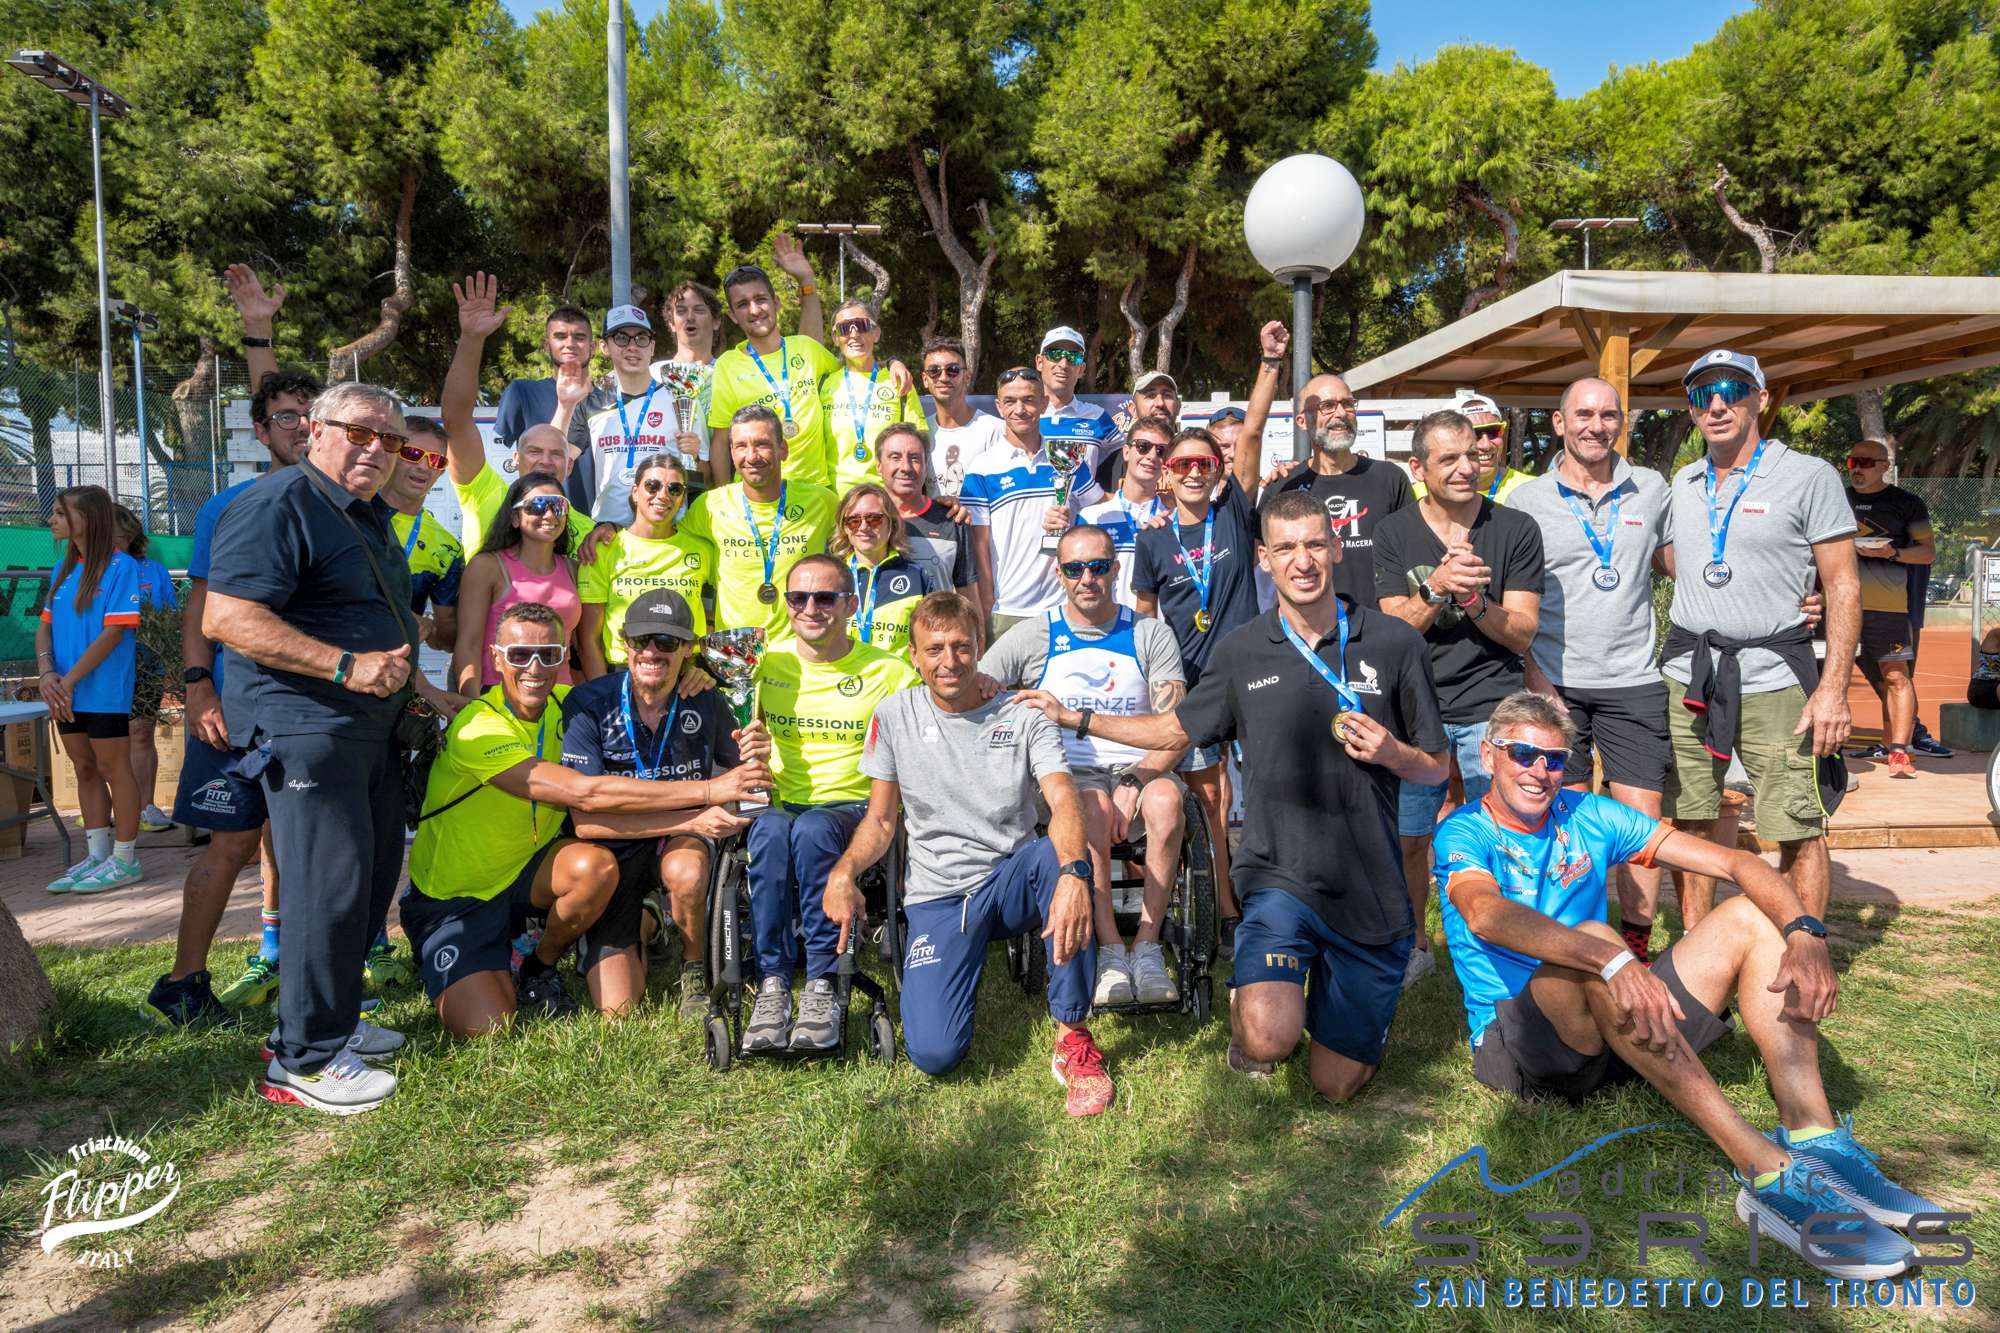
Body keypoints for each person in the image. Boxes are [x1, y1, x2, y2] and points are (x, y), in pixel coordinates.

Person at [1435, 691, 1937, 1278]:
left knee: (1752, 916)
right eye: (1523, 754)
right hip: (1524, 1043)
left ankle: (1815, 1136)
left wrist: (1805, 932)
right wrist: (1613, 959)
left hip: (1617, 1022)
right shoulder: (1464, 831)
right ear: (1490, 755)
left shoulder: (1587, 813)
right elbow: (1485, 915)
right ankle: (1765, 1172)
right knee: (1599, 938)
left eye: (1553, 759)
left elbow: (1739, 865)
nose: (1538, 771)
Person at [1018, 494, 1447, 1100]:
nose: (1304, 562)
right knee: (1268, 1040)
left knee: (1337, 1086)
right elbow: (1173, 731)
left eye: (1315, 545)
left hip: (1366, 884)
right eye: (1287, 548)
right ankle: (1264, 998)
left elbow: (1435, 769)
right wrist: (1076, 718)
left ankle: (1329, 989)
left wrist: (1392, 753)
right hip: (1279, 876)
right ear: (1264, 559)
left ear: (1335, 548)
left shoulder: (1394, 643)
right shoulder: (1243, 650)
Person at [204, 381, 426, 1115]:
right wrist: (345, 665)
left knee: (365, 882)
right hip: (308, 725)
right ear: (315, 429)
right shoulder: (277, 504)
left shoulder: (363, 514)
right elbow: (228, 615)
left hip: (367, 729)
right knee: (325, 887)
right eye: (360, 432)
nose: (375, 449)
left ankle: (327, 1020)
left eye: (389, 440)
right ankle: (302, 1061)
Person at [407, 602, 765, 1035]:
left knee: (593, 870)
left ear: (564, 657)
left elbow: (634, 687)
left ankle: (540, 962)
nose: (535, 669)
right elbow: (585, 794)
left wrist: (697, 674)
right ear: (496, 657)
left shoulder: (572, 704)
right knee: (489, 1028)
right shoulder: (477, 729)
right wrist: (709, 793)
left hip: (528, 876)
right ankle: (486, 954)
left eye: (549, 655)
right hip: (460, 898)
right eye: (520, 655)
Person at [825, 593, 1113, 1115]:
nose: (949, 661)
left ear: (981, 647)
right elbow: (882, 820)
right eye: (934, 648)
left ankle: (1073, 1038)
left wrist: (1075, 873)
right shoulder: (893, 715)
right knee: (935, 1054)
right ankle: (957, 968)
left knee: (1061, 858)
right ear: (914, 654)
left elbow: (1062, 796)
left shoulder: (1023, 712)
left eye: (961, 646)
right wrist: (844, 871)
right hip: (939, 895)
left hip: (1011, 881)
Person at [143, 314, 314, 1023]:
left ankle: (291, 965)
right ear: (260, 430)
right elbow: (201, 609)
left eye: (311, 415)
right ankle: (183, 982)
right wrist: (199, 684)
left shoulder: (345, 502)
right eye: (285, 418)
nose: (300, 427)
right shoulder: (229, 505)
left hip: (311, 705)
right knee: (235, 839)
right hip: (238, 704)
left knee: (297, 840)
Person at [1662, 350, 1858, 931]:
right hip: (1690, 674)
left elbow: (1844, 585)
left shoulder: (1809, 475)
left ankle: (1804, 949)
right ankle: (1698, 953)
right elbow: (1680, 558)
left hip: (1776, 677)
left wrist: (1835, 690)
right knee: (1691, 821)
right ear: (1693, 410)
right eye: (1702, 395)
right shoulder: (1685, 481)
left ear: (1761, 398)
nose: (1717, 404)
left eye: (1732, 389)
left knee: (1796, 825)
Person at [981, 524, 1187, 1006]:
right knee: (1089, 804)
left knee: (1166, 799)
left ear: (1116, 569)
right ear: (1059, 573)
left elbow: (1177, 728)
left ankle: (1148, 946)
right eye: (1075, 568)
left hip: (1140, 767)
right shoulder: (1035, 633)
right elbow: (977, 686)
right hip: (1067, 775)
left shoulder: (1148, 632)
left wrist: (1138, 777)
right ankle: (1111, 949)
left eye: (1098, 566)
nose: (1087, 578)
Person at [1374, 410, 1545, 988]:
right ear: (1418, 468)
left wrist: (1473, 602)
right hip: (1414, 710)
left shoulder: (1515, 527)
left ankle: (1512, 945)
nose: (1466, 467)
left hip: (1491, 705)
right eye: (1448, 458)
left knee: (1507, 830)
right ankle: (1414, 944)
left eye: (1472, 454)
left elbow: (1522, 632)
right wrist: (1437, 586)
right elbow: (1390, 626)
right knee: (1409, 837)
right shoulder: (1395, 532)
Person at [1511, 377, 1674, 961]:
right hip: (1554, 682)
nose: (1595, 426)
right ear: (1558, 423)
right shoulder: (1525, 500)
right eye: (1582, 414)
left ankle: (1638, 946)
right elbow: (1512, 602)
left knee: (1641, 824)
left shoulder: (1652, 489)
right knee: (1567, 823)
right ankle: (1578, 944)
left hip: (1633, 680)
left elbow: (1691, 561)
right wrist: (1535, 678)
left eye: (1608, 415)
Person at [740, 555, 920, 1054]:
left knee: (814, 829)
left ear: (851, 604)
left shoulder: (889, 672)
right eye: (799, 598)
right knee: (773, 831)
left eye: (825, 598)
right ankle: (773, 983)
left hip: (853, 808)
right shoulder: (761, 663)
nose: (811, 608)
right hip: (781, 801)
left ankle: (821, 980)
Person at [561, 592, 770, 1018]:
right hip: (611, 850)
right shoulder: (588, 703)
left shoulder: (710, 698)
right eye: (642, 641)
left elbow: (745, 783)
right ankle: (649, 922)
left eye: (667, 642)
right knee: (617, 1009)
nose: (652, 652)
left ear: (689, 650)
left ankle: (693, 967)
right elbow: (586, 823)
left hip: (675, 841)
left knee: (687, 870)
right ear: (623, 643)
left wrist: (756, 760)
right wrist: (702, 806)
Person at [1133, 427, 1260, 940]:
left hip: (1251, 675)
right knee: (1209, 800)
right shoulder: (1152, 538)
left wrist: (1271, 361)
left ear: (1217, 470)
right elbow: (1145, 619)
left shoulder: (1232, 514)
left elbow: (1249, 436)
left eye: (1202, 463)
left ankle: (1257, 898)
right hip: (1190, 685)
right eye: (1181, 464)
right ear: (1166, 473)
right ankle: (1224, 910)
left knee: (1252, 794)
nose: (1192, 471)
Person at [1246, 323, 1415, 610]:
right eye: (1327, 406)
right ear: (1302, 422)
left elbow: (1412, 557)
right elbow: (1261, 563)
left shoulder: (1390, 479)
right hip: (1306, 638)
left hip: (1376, 634)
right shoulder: (1282, 486)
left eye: (1347, 404)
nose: (1340, 414)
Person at [442, 273, 604, 552]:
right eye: (560, 336)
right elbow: (456, 420)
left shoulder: (587, 533)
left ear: (569, 464)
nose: (545, 460)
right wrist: (471, 338)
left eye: (556, 454)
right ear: (515, 457)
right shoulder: (490, 498)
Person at [39, 486, 146, 894]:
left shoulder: (121, 568)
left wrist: (66, 682)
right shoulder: (63, 572)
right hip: (65, 692)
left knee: (112, 768)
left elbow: (113, 633)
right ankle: (97, 856)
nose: (52, 521)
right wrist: (48, 673)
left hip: (103, 691)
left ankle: (125, 860)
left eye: (60, 513)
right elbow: (44, 628)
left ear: (89, 519)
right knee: (84, 768)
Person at [960, 367, 1104, 642]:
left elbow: (1100, 513)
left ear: (1044, 403)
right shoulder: (982, 467)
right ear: (999, 407)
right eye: (1011, 401)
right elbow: (979, 545)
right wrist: (987, 601)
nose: (1020, 409)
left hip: (1063, 606)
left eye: (1028, 399)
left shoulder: (1067, 457)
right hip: (1007, 609)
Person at [679, 405, 838, 639]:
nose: (751, 456)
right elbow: (667, 546)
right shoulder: (709, 506)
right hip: (734, 656)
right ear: (732, 453)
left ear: (783, 449)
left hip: (802, 654)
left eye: (762, 444)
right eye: (741, 446)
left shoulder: (822, 502)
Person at [706, 242, 841, 488]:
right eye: (742, 304)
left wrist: (891, 363)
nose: (755, 310)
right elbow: (720, 440)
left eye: (760, 299)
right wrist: (723, 496)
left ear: (776, 302)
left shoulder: (806, 348)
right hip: (756, 494)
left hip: (815, 491)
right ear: (733, 316)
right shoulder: (727, 365)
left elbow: (855, 372)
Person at [1844, 438, 1935, 778]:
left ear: (1885, 466)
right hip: (1837, 607)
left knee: (1896, 676)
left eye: (1867, 462)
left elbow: (1927, 552)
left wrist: (1891, 553)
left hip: (1888, 607)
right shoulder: (1835, 499)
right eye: (1854, 462)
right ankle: (1823, 750)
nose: (1858, 469)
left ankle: (1899, 751)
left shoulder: (1906, 503)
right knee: (1826, 675)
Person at [577, 453, 713, 678]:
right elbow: (588, 640)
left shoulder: (702, 549)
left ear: (682, 497)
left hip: (686, 675)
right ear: (635, 492)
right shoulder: (604, 549)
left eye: (674, 489)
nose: (663, 495)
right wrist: (603, 695)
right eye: (652, 486)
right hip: (623, 673)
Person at [565, 305, 698, 525]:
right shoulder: (590, 405)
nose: (633, 347)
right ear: (604, 346)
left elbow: (705, 472)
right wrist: (564, 405)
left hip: (669, 531)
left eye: (641, 338)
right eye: (621, 338)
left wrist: (696, 457)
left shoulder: (681, 398)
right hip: (609, 534)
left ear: (652, 346)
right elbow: (559, 463)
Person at [452, 473, 583, 695]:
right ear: (514, 517)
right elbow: (468, 643)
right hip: (498, 698)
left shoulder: (575, 569)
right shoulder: (487, 567)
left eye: (558, 505)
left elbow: (580, 649)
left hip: (560, 699)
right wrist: (472, 707)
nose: (550, 514)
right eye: (537, 506)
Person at [875, 423, 982, 617]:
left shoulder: (952, 519)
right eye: (895, 457)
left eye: (915, 458)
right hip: (876, 645)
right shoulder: (861, 522)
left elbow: (969, 599)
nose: (905, 467)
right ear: (879, 465)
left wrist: (979, 641)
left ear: (926, 465)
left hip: (937, 642)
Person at [114, 505, 177, 833]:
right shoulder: (86, 572)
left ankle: (147, 805)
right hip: (105, 668)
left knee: (141, 732)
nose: (115, 541)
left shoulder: (155, 571)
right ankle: (114, 808)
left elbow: (169, 618)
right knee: (108, 739)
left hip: (146, 664)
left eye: (121, 536)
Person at [825, 300, 925, 495]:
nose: (854, 334)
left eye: (862, 326)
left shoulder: (898, 381)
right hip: (835, 502)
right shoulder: (824, 384)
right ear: (836, 338)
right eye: (844, 328)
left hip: (887, 501)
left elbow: (920, 443)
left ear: (876, 333)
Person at [829, 483, 940, 655]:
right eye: (853, 521)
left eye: (874, 519)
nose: (864, 527)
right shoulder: (831, 577)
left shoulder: (917, 577)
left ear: (892, 523)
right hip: (845, 679)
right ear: (844, 528)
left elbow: (933, 641)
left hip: (901, 680)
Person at [1078, 413, 1171, 609]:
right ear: (1127, 452)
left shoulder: (1173, 519)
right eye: (1143, 447)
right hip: (1107, 630)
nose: (1152, 456)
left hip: (1156, 630)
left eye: (1161, 450)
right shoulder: (1092, 516)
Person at [494, 304, 612, 458]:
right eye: (560, 336)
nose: (570, 344)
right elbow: (502, 456)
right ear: (547, 346)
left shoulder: (611, 404)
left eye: (579, 337)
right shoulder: (522, 392)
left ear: (592, 347)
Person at [649, 279, 725, 486]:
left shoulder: (729, 373)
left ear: (716, 321)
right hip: (663, 494)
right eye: (681, 311)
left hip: (720, 491)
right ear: (671, 323)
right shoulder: (653, 375)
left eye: (699, 310)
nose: (690, 317)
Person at [1410, 394, 1531, 505]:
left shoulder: (1530, 489)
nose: (1486, 445)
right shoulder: (1415, 495)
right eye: (1474, 434)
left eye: (1494, 432)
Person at [921, 336, 1005, 496]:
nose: (943, 377)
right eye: (934, 371)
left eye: (952, 370)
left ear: (967, 376)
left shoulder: (995, 430)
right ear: (925, 380)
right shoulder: (921, 432)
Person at [1036, 326, 1120, 480]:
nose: (1063, 364)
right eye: (1055, 354)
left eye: (1073, 357)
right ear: (1040, 362)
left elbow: (1130, 457)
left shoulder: (1098, 417)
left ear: (1081, 369)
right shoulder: (1022, 415)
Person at [1098, 370, 1182, 492]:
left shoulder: (1194, 457)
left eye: (1167, 395)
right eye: (1150, 395)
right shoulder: (1113, 465)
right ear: (1133, 409)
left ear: (1178, 406)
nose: (1160, 403)